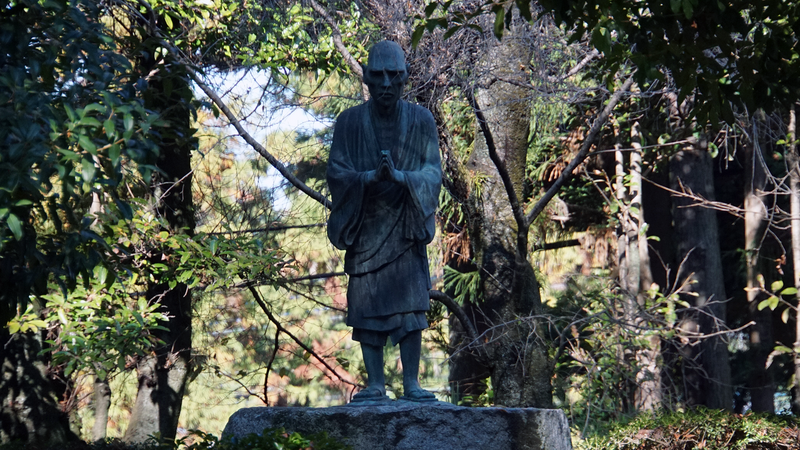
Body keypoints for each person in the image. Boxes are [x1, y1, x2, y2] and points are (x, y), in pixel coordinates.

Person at [327, 40, 442, 403]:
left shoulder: (422, 120)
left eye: (394, 76)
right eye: (378, 76)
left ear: (406, 79)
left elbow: (432, 171)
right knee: (366, 305)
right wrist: (367, 179)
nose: (387, 84)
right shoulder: (348, 122)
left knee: (410, 305)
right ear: (367, 78)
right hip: (366, 222)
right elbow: (337, 172)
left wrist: (403, 179)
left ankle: (411, 383)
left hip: (406, 221)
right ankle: (375, 382)